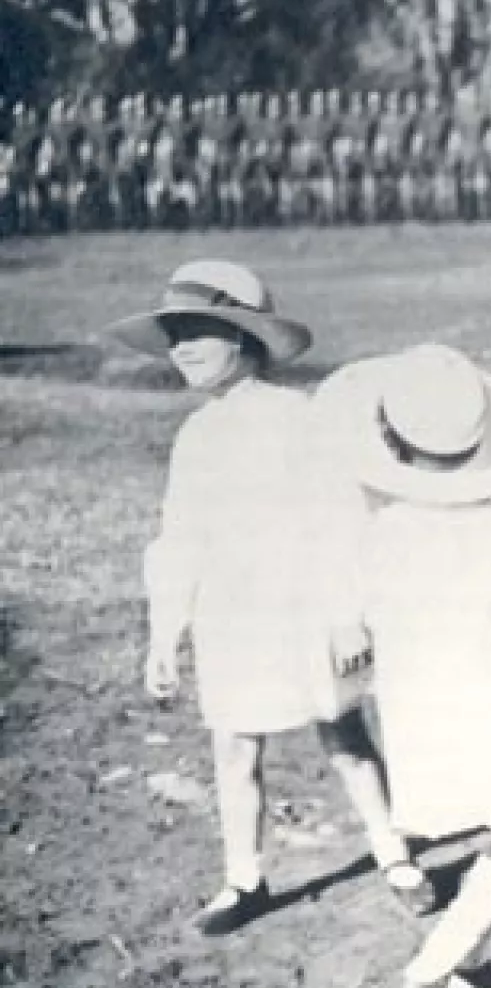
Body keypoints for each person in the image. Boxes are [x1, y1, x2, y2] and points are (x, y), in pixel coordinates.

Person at [99, 260, 433, 936]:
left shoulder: (298, 418)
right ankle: (243, 878)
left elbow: (342, 517)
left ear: (246, 339)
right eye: (175, 336)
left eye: (199, 332)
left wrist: (349, 617)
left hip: (303, 603)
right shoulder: (197, 436)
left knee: (342, 731)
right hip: (232, 613)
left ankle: (394, 853)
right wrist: (167, 636)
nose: (182, 348)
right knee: (233, 743)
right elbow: (180, 537)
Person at [319, 343, 491, 988]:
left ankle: (470, 967)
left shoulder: (384, 532)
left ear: (392, 443)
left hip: (421, 715)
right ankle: (429, 973)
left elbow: (355, 617)